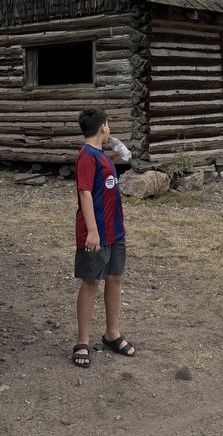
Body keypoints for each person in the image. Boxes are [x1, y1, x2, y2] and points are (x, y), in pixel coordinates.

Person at [72, 108, 135, 368]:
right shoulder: (86, 156)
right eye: (108, 125)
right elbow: (85, 193)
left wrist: (117, 155)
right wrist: (93, 231)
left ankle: (112, 334)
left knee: (114, 278)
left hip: (115, 230)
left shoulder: (100, 155)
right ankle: (82, 341)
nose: (109, 129)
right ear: (102, 128)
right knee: (90, 283)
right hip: (96, 232)